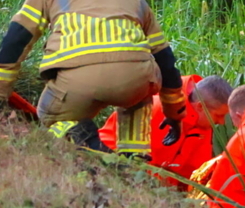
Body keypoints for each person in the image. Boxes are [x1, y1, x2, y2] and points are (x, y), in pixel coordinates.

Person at [0, 0, 186, 154]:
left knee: (49, 115)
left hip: (77, 78)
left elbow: (17, 39)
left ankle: (79, 134)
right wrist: (175, 114)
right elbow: (165, 60)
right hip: (133, 79)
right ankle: (134, 159)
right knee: (141, 93)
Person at [98, 74, 232, 186]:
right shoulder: (155, 109)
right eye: (219, 115)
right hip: (107, 170)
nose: (221, 122)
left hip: (152, 187)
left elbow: (193, 174)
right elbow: (137, 169)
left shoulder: (202, 124)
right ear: (200, 107)